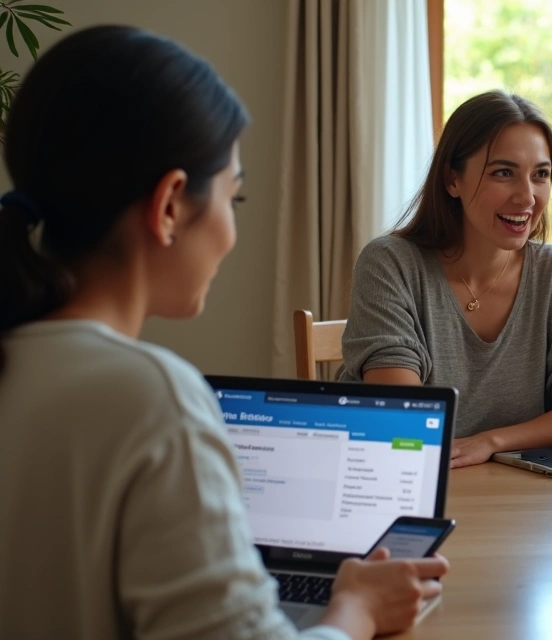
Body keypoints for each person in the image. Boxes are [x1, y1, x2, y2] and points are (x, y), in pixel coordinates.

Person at [0, 26, 447, 640]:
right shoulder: (152, 400)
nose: (232, 235)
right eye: (233, 199)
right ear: (170, 206)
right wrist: (356, 611)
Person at [340, 90, 552, 468]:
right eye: (503, 173)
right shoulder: (390, 263)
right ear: (453, 179)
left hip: (516, 496)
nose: (527, 197)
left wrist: (490, 442)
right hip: (398, 477)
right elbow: (407, 417)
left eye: (541, 175)